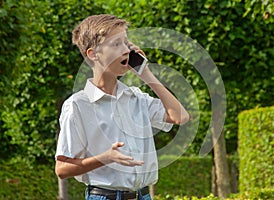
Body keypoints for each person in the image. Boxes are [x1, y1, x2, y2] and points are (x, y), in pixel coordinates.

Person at [55, 14, 189, 200]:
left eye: (126, 43)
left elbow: (180, 116)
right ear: (93, 54)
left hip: (143, 196)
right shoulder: (77, 105)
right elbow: (62, 169)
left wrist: (146, 74)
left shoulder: (136, 97)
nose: (126, 50)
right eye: (116, 44)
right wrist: (105, 157)